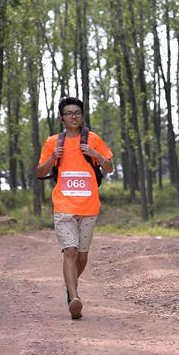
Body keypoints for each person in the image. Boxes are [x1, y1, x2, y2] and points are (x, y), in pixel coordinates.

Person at [35, 96, 113, 320]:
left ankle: (70, 288)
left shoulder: (93, 139)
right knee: (69, 251)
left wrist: (95, 154)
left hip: (89, 206)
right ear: (62, 118)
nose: (73, 116)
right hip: (63, 205)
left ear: (82, 116)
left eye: (77, 113)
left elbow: (108, 167)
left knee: (81, 256)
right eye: (69, 113)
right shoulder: (53, 142)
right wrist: (52, 158)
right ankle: (75, 297)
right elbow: (40, 172)